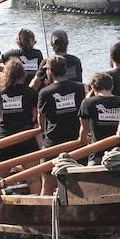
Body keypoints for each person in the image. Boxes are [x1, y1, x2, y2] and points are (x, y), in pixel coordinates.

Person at [35, 55, 85, 193]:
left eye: (46, 70)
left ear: (50, 71)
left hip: (52, 143)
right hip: (76, 142)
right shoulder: (79, 88)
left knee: (47, 183)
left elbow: (41, 117)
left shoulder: (45, 92)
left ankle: (45, 213)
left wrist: (41, 129)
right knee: (80, 183)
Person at [0, 57, 39, 167]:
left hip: (5, 138)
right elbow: (35, 115)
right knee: (34, 179)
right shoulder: (31, 92)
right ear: (22, 74)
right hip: (26, 138)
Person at [78, 72, 120, 163]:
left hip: (97, 156)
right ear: (111, 86)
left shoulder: (87, 103)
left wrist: (82, 141)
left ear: (93, 87)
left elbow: (84, 131)